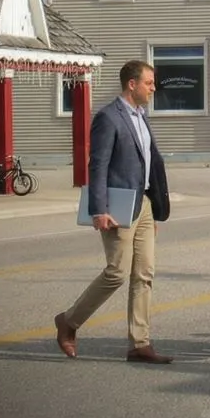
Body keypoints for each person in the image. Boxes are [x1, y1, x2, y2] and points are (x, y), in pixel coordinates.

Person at [55, 60, 173, 363]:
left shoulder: (142, 117)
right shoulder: (109, 117)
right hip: (118, 205)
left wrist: (154, 210)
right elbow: (98, 165)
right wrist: (99, 209)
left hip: (144, 204)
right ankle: (69, 322)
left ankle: (140, 344)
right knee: (117, 272)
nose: (153, 88)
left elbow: (150, 163)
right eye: (149, 82)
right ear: (131, 84)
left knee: (144, 274)